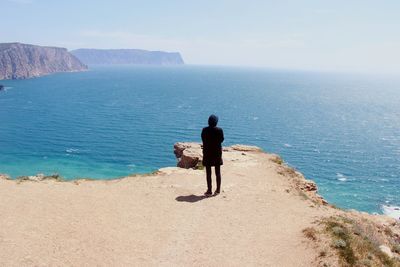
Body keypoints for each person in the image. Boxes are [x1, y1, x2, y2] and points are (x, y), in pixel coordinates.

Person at [201, 114, 224, 196]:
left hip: (207, 153)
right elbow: (221, 140)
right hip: (217, 153)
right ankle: (218, 190)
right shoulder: (219, 130)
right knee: (218, 172)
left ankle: (209, 190)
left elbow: (203, 139)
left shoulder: (204, 130)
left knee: (208, 173)